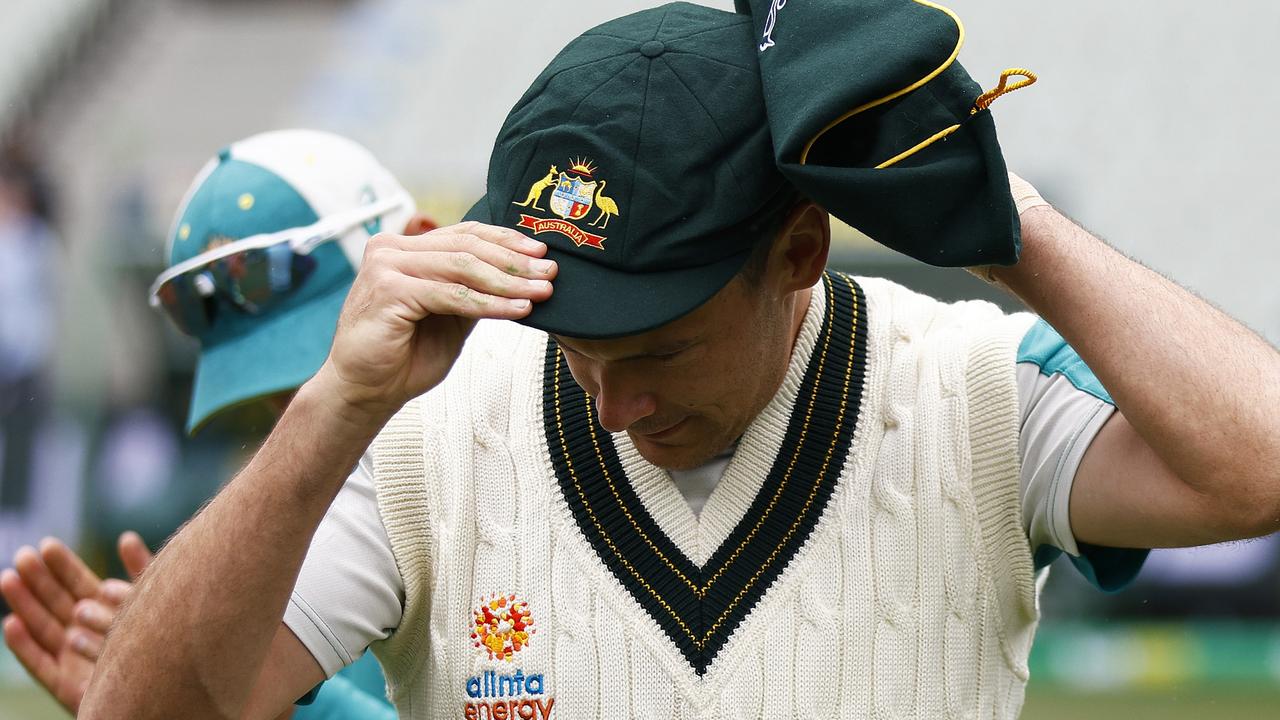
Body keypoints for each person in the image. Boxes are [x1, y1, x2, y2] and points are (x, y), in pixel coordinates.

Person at [81, 5, 1280, 719]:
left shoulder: (966, 387)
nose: (611, 406)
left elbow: (1254, 465)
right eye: (577, 343)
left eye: (656, 344)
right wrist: (333, 408)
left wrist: (1005, 225)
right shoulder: (426, 431)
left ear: (799, 249)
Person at [1, 128, 436, 717]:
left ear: (418, 248)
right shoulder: (319, 527)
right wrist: (190, 689)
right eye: (275, 395)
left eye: (324, 365)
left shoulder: (524, 429)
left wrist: (278, 700)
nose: (300, 414)